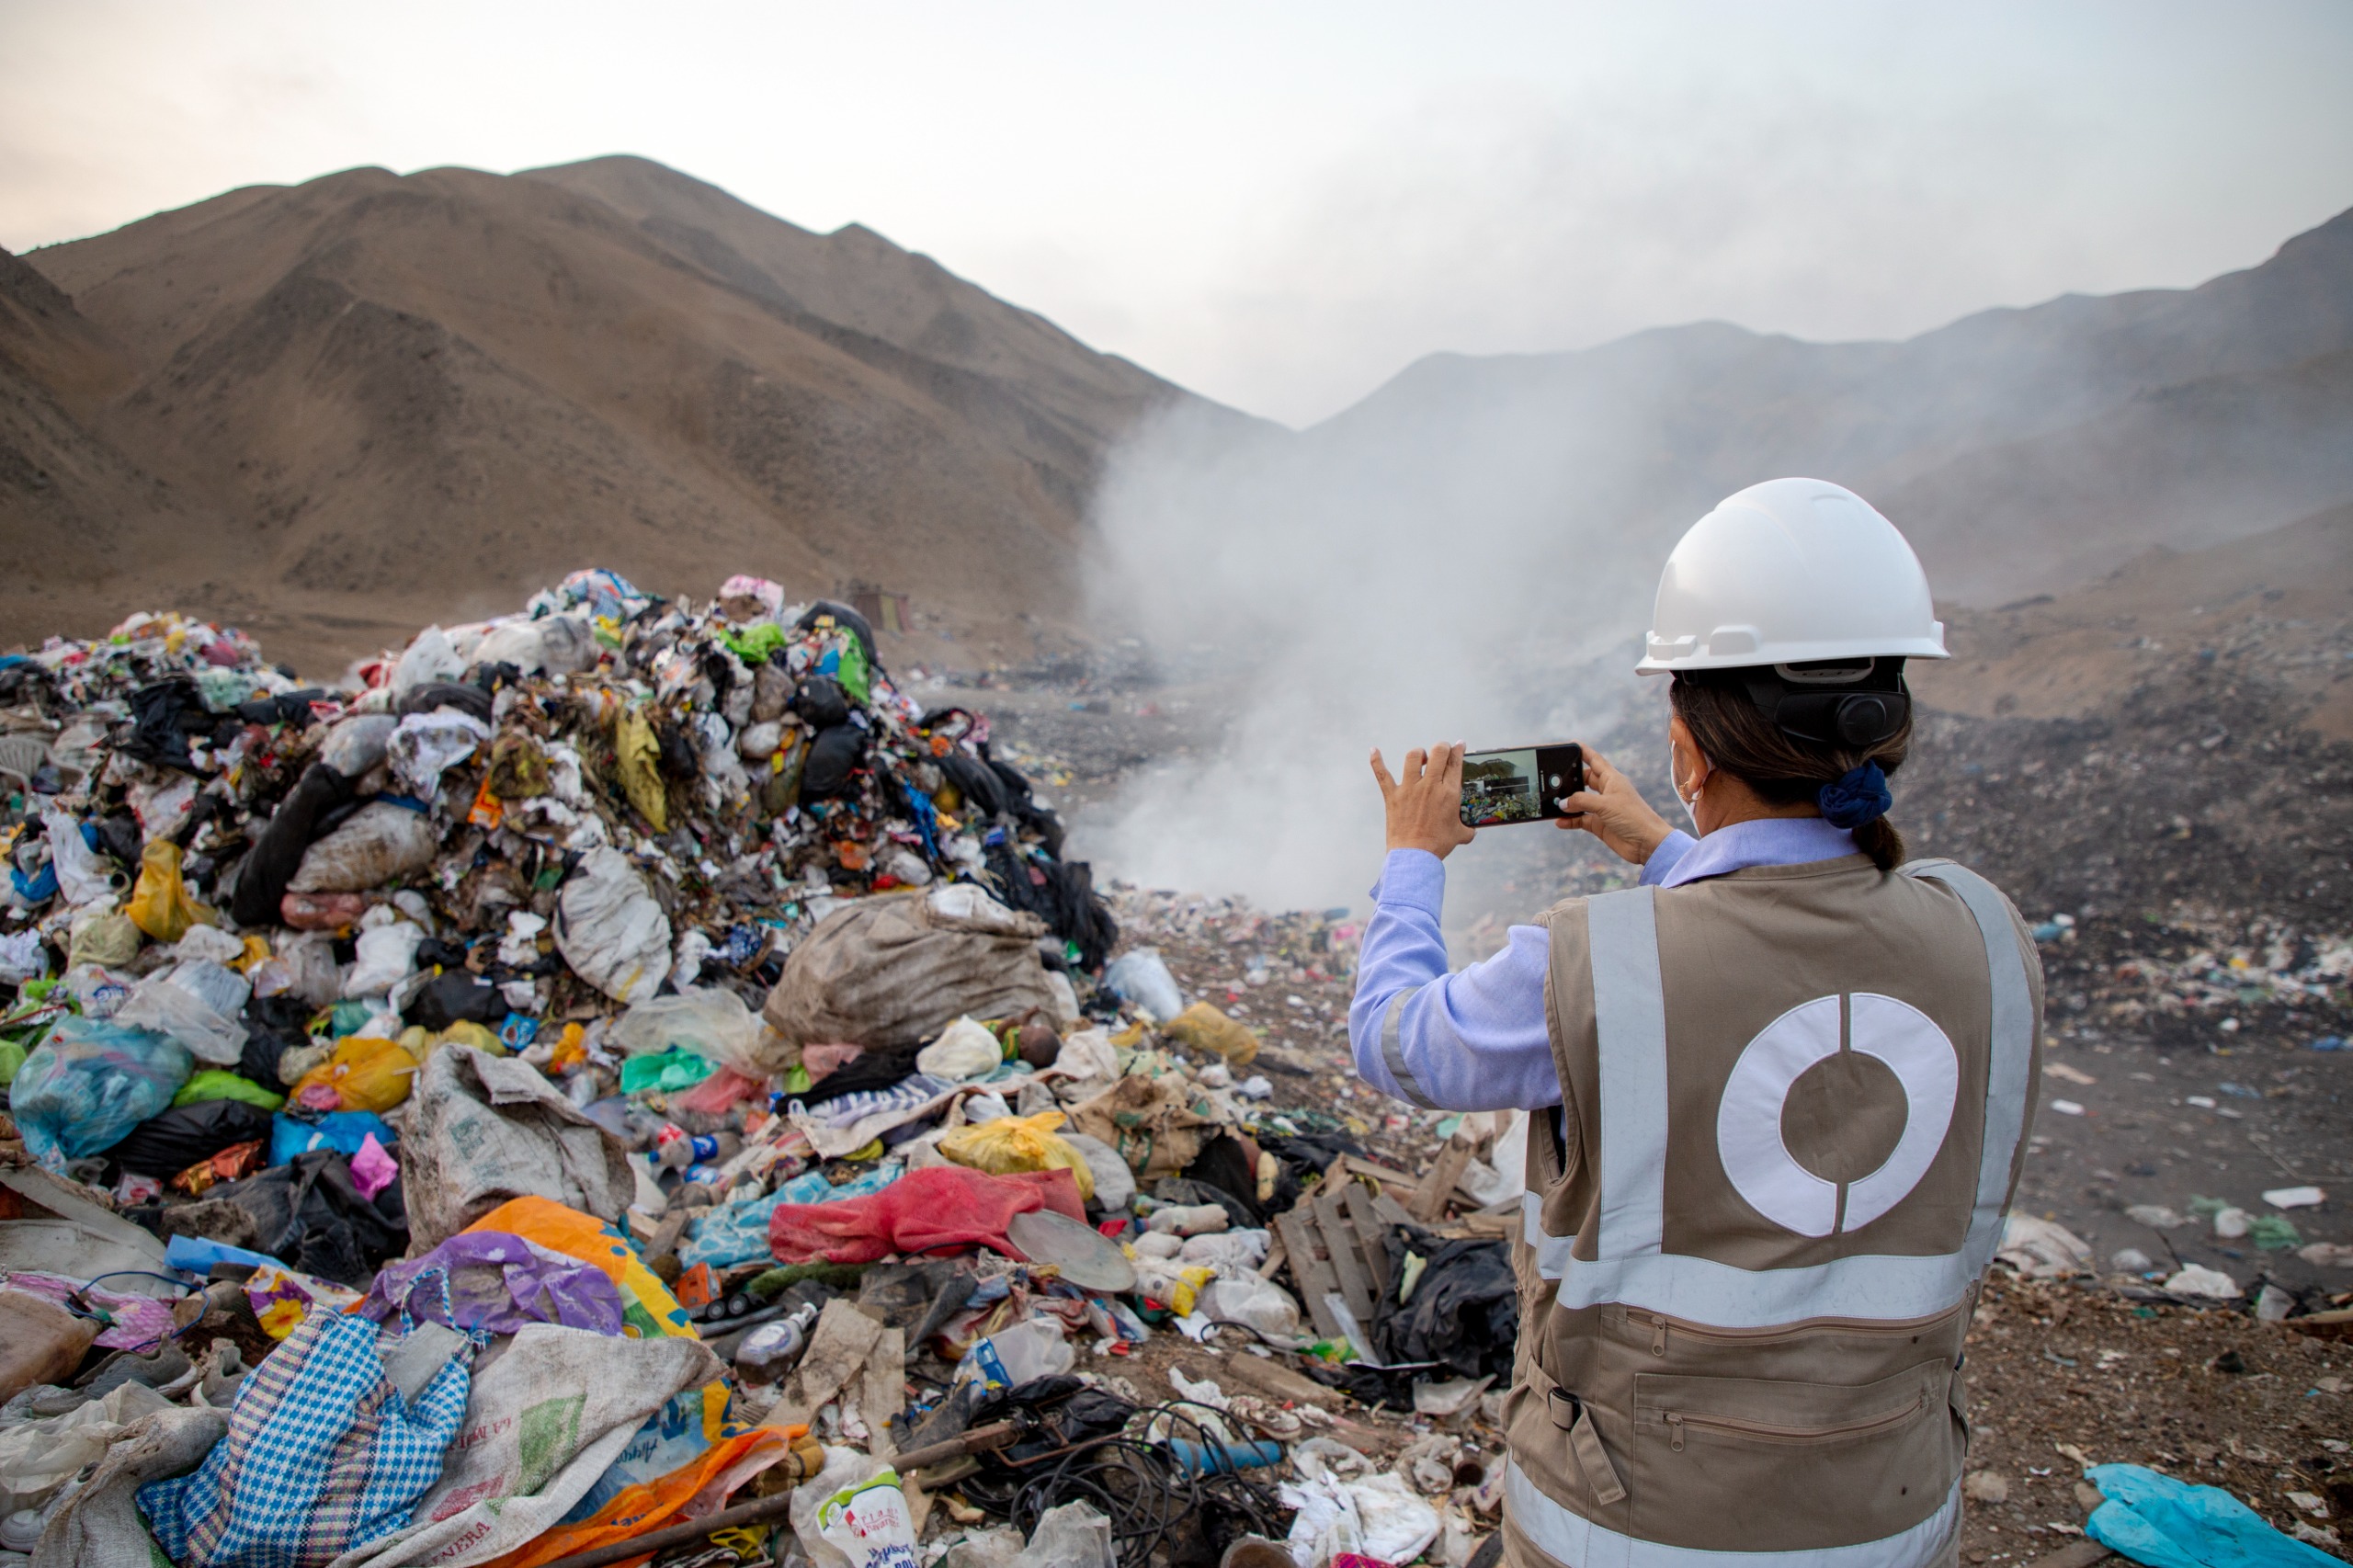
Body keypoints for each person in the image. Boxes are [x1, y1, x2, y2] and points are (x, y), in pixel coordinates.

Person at [1351, 478, 2043, 1568]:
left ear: (1690, 746)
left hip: (1629, 1529)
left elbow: (1395, 1037)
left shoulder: (1584, 964)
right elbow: (1789, 941)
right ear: (1885, 731)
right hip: (1893, 1515)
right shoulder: (1985, 933)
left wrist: (1410, 859)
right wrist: (1666, 849)